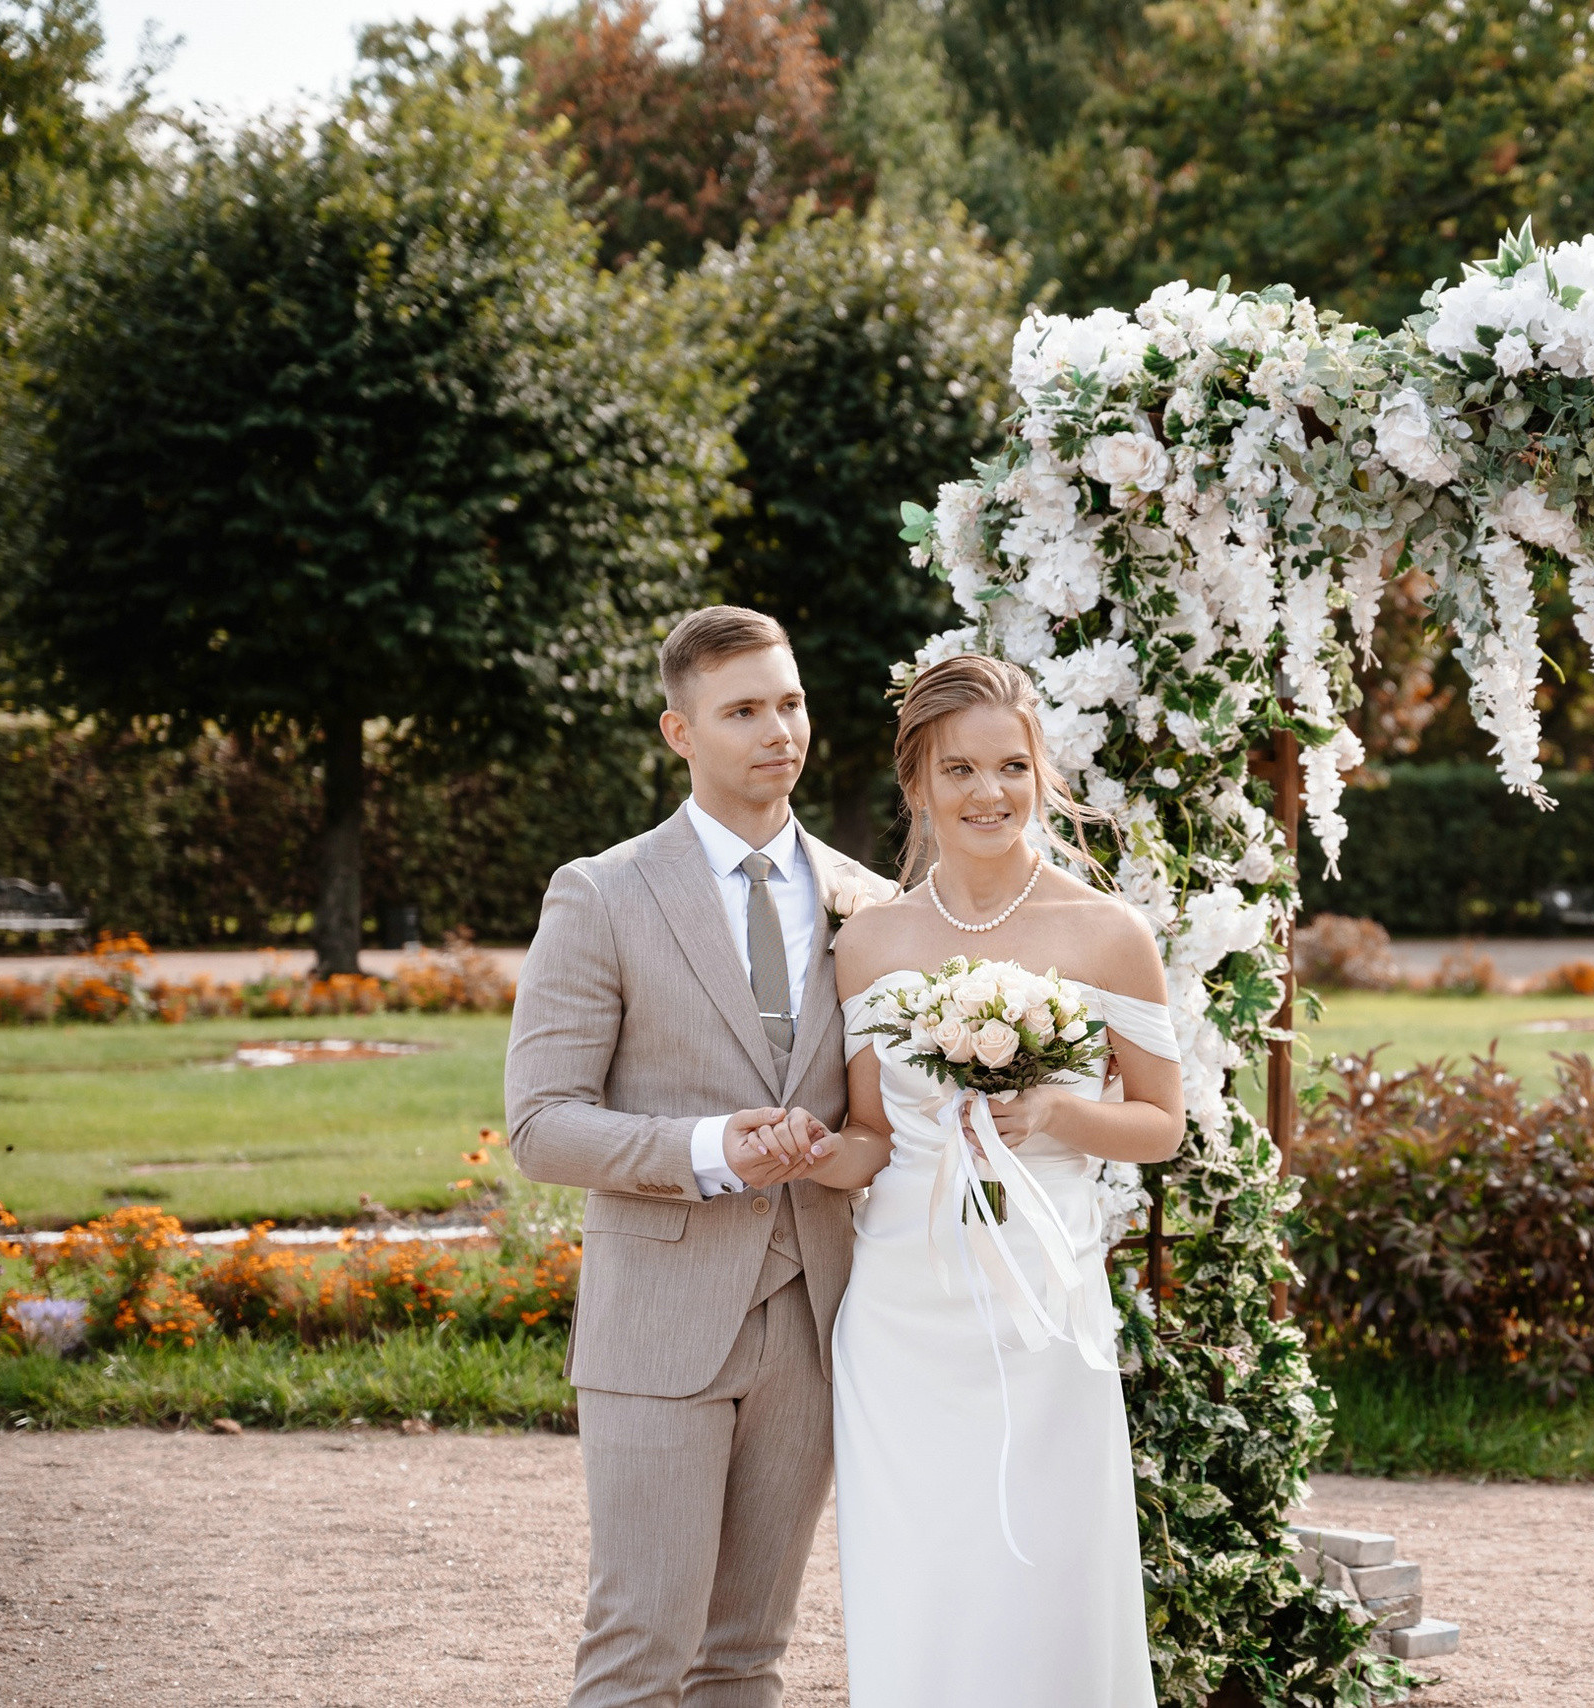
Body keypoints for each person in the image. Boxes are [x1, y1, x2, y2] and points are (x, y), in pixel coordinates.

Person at [505, 605, 899, 1708]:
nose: (779, 732)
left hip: (816, 1322)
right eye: (743, 711)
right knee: (642, 1646)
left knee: (747, 1654)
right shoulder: (603, 893)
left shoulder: (871, 905)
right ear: (679, 732)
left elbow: (887, 1116)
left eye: (791, 703)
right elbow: (541, 1123)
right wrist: (706, 1147)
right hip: (659, 1324)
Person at [830, 652, 1186, 1707]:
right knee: (920, 1571)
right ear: (916, 783)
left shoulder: (1108, 934)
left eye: (1011, 768)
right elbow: (869, 1133)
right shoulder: (870, 941)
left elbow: (1161, 1125)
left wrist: (1061, 1114)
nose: (989, 793)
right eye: (959, 770)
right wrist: (807, 1157)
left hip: (1044, 1303)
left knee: (1048, 1565)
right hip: (901, 1311)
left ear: (1042, 772)